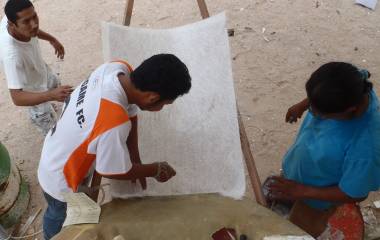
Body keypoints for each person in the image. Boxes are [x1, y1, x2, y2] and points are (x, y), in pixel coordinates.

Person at [37, 54, 192, 239]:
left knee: (78, 212)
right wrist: (155, 169)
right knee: (61, 218)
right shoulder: (113, 122)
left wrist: (134, 156)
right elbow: (112, 170)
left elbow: (131, 110)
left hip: (55, 152)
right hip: (61, 180)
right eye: (165, 104)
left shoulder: (117, 68)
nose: (162, 108)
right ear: (152, 98)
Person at [268, 62, 380, 237]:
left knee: (297, 232)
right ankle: (289, 197)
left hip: (316, 201)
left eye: (320, 113)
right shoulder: (352, 83)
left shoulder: (366, 147)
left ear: (349, 110)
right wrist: (303, 104)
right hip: (302, 173)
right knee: (282, 194)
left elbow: (354, 194)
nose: (312, 111)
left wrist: (302, 191)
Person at [0, 0, 73, 135]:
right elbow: (17, 97)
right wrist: (50, 95)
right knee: (54, 133)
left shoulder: (13, 18)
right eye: (27, 21)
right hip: (31, 90)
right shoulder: (12, 56)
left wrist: (52, 39)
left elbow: (34, 30)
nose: (34, 24)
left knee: (55, 84)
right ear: (12, 25)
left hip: (39, 69)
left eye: (35, 16)